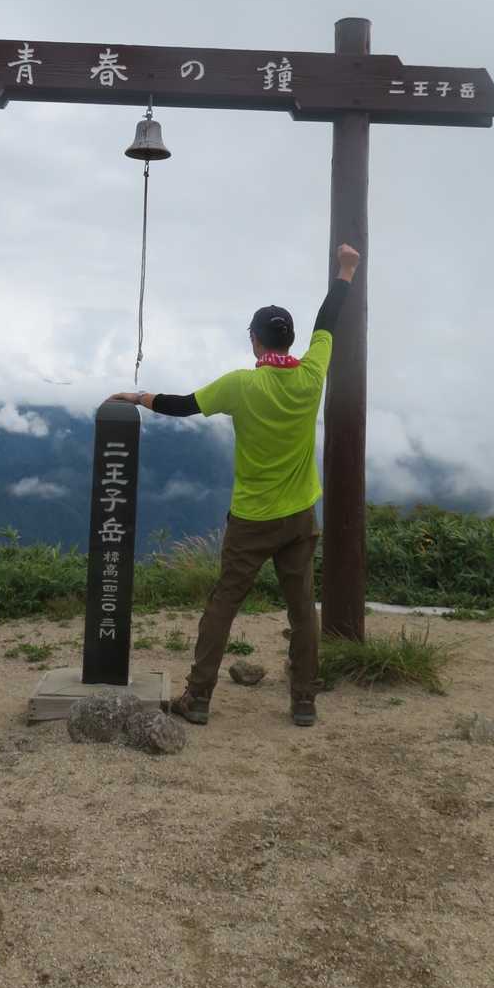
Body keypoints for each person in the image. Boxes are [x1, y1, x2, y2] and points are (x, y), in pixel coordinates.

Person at [110, 242, 360, 727]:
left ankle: (198, 698)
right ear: (290, 341)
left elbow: (182, 405)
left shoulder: (242, 385)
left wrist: (138, 397)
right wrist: (345, 271)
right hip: (300, 516)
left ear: (255, 341)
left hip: (251, 519)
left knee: (223, 604)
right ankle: (304, 701)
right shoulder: (312, 375)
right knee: (302, 610)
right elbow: (328, 321)